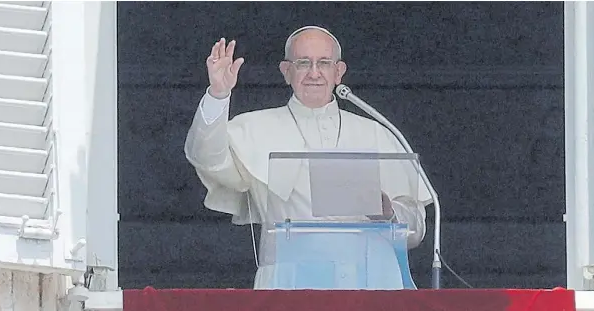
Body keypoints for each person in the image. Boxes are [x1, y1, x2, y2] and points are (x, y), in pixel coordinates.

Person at [185, 26, 432, 289]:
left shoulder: (375, 132)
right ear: (286, 71)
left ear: (339, 72)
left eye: (324, 63)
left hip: (372, 283)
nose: (314, 73)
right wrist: (218, 96)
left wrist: (389, 214)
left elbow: (415, 229)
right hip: (289, 285)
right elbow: (207, 158)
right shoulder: (255, 128)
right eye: (303, 63)